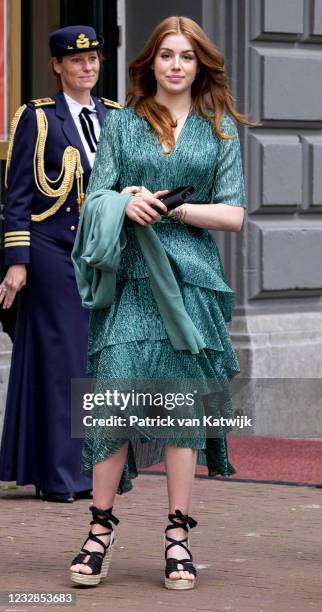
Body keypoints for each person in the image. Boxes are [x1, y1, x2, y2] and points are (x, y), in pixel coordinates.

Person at [70, 15, 248, 589]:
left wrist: (173, 207)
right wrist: (124, 202)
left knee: (181, 413)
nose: (176, 65)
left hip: (191, 286)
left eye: (187, 57)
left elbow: (235, 213)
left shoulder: (219, 127)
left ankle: (177, 536)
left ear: (201, 66)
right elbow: (97, 193)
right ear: (150, 63)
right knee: (114, 398)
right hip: (131, 283)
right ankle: (100, 529)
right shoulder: (122, 125)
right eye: (167, 55)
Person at [0, 26, 120, 503]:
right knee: (63, 363)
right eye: (75, 61)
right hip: (53, 252)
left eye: (92, 60)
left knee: (97, 362)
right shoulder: (38, 118)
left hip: (103, 255)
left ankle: (94, 469)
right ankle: (62, 476)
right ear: (57, 66)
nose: (86, 68)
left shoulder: (115, 117)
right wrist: (17, 262)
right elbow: (17, 198)